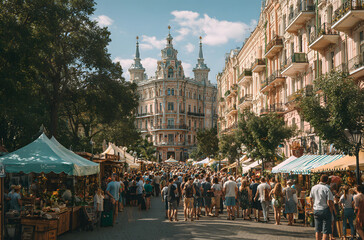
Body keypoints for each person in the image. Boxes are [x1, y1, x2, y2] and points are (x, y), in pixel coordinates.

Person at [310, 175, 334, 240]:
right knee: (325, 231)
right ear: (327, 181)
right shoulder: (326, 189)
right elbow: (329, 202)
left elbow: (311, 199)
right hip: (325, 210)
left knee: (318, 230)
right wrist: (331, 212)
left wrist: (312, 207)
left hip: (316, 209)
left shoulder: (313, 188)